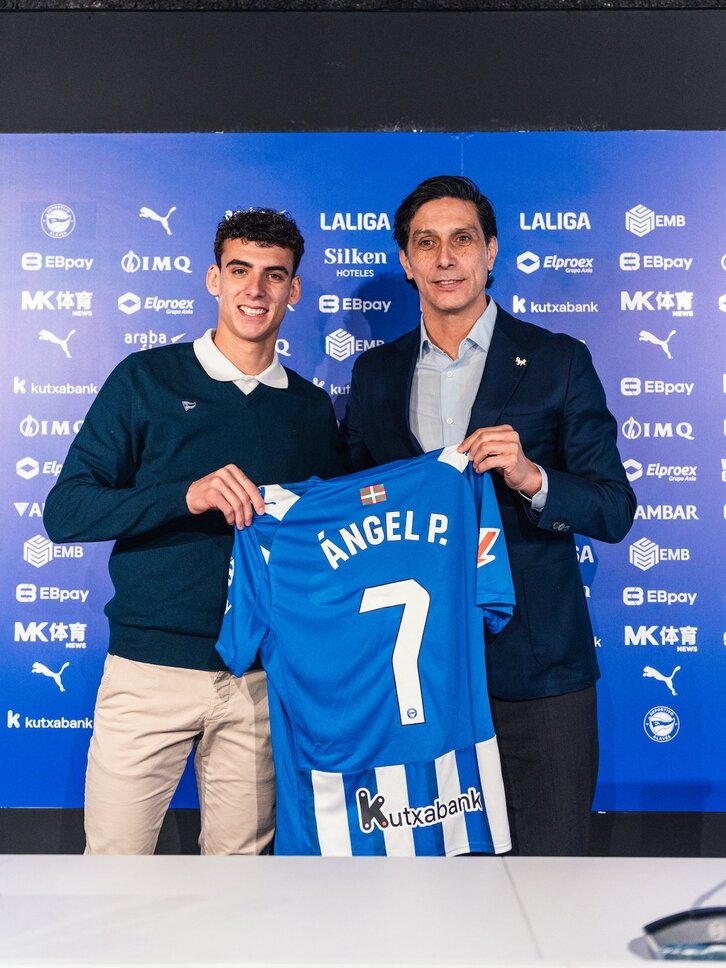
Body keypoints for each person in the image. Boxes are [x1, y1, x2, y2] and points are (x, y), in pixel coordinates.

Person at [340, 175, 636, 855]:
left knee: (552, 879)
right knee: (429, 892)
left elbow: (613, 508)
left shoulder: (559, 361)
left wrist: (533, 477)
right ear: (407, 260)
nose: (446, 258)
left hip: (538, 669)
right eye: (427, 242)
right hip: (418, 676)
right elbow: (354, 504)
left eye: (462, 239)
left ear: (491, 252)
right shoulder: (375, 375)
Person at [44, 207, 342, 855]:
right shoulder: (145, 380)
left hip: (260, 683)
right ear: (213, 278)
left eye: (273, 276)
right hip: (149, 675)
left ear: (294, 289)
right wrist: (186, 494)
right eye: (240, 271)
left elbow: (329, 547)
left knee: (240, 890)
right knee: (113, 874)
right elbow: (66, 511)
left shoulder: (312, 410)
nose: (255, 291)